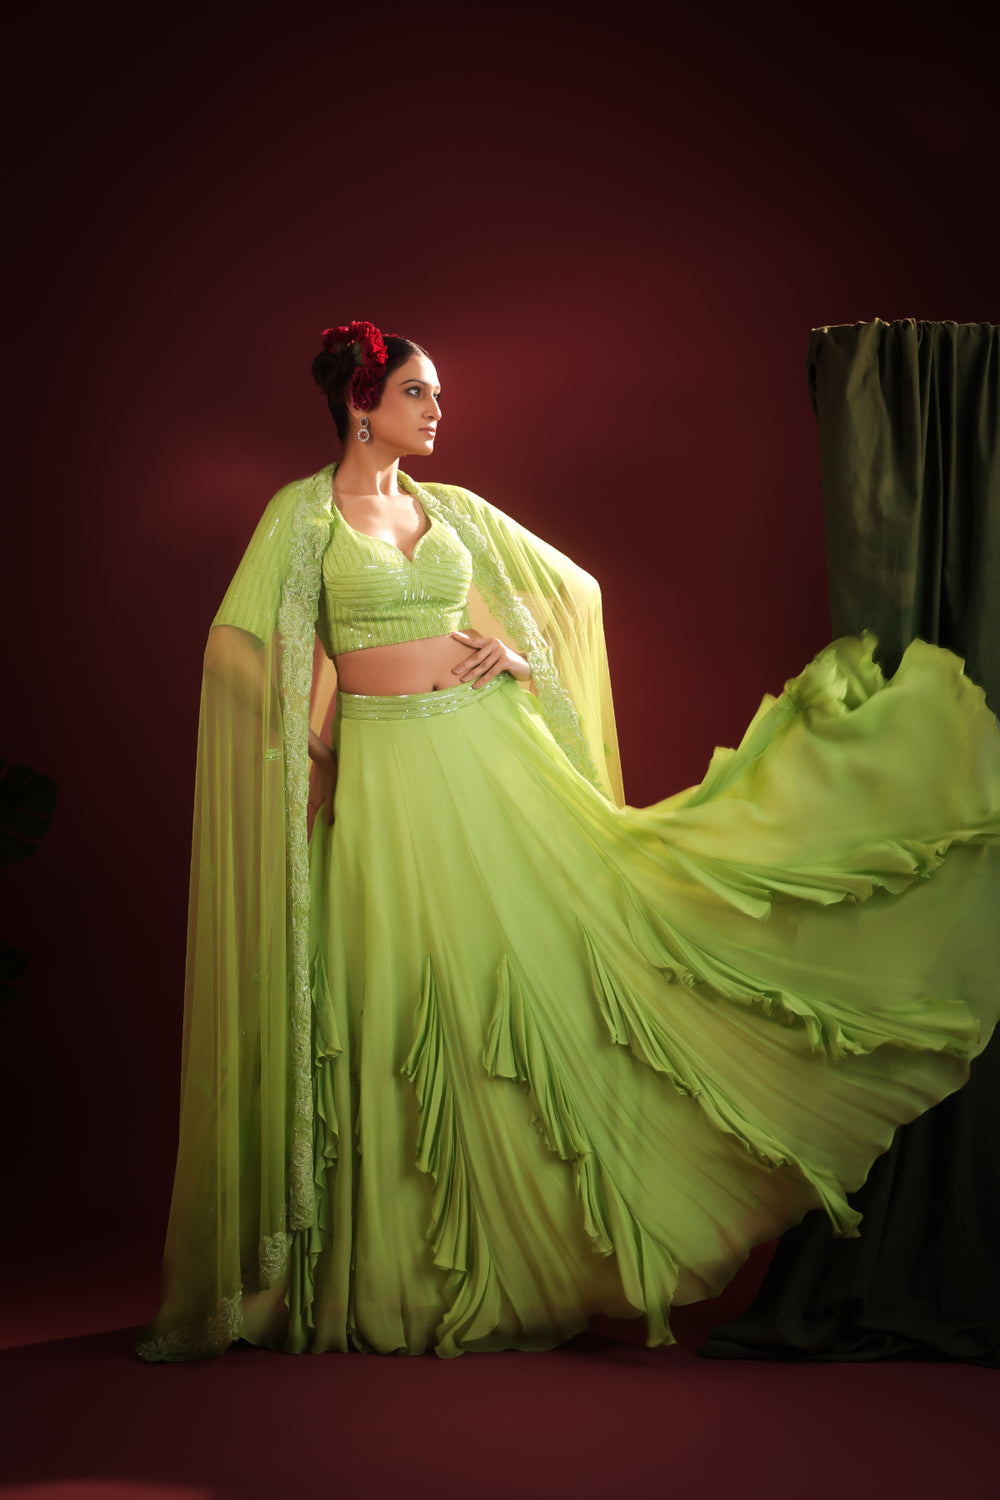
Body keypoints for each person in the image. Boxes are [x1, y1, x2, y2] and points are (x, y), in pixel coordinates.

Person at [138, 320, 1000, 1362]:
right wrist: (311, 745)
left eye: (436, 392)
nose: (437, 409)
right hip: (389, 777)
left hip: (491, 757)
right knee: (404, 995)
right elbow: (237, 650)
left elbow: (574, 593)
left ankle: (534, 1246)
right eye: (417, 392)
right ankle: (407, 1270)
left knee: (536, 974)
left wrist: (514, 655)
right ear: (361, 403)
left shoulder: (453, 511)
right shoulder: (303, 515)